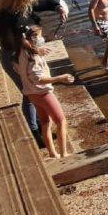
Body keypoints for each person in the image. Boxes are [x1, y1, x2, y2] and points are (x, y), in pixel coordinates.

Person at [0, 0, 69, 137]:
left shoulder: (23, 8)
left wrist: (59, 7)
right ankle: (35, 132)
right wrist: (34, 49)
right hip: (13, 58)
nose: (31, 3)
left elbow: (45, 3)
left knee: (33, 92)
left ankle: (42, 128)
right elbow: (12, 41)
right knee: (29, 93)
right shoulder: (4, 15)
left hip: (28, 56)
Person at [18, 25, 75, 158]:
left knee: (45, 122)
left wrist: (38, 50)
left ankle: (52, 153)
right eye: (40, 36)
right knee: (61, 121)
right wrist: (60, 78)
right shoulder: (34, 58)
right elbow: (38, 79)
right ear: (34, 39)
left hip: (31, 94)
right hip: (42, 93)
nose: (43, 38)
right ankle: (63, 153)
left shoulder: (23, 51)